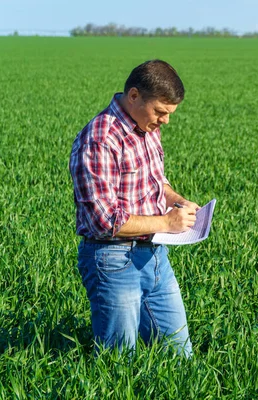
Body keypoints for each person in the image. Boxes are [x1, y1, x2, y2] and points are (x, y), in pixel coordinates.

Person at [69, 60, 199, 357]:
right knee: (119, 360)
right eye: (161, 112)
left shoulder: (147, 126)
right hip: (113, 260)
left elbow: (155, 184)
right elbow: (105, 221)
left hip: (155, 257)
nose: (165, 121)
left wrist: (177, 201)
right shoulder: (100, 138)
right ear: (134, 96)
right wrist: (167, 223)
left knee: (179, 355)